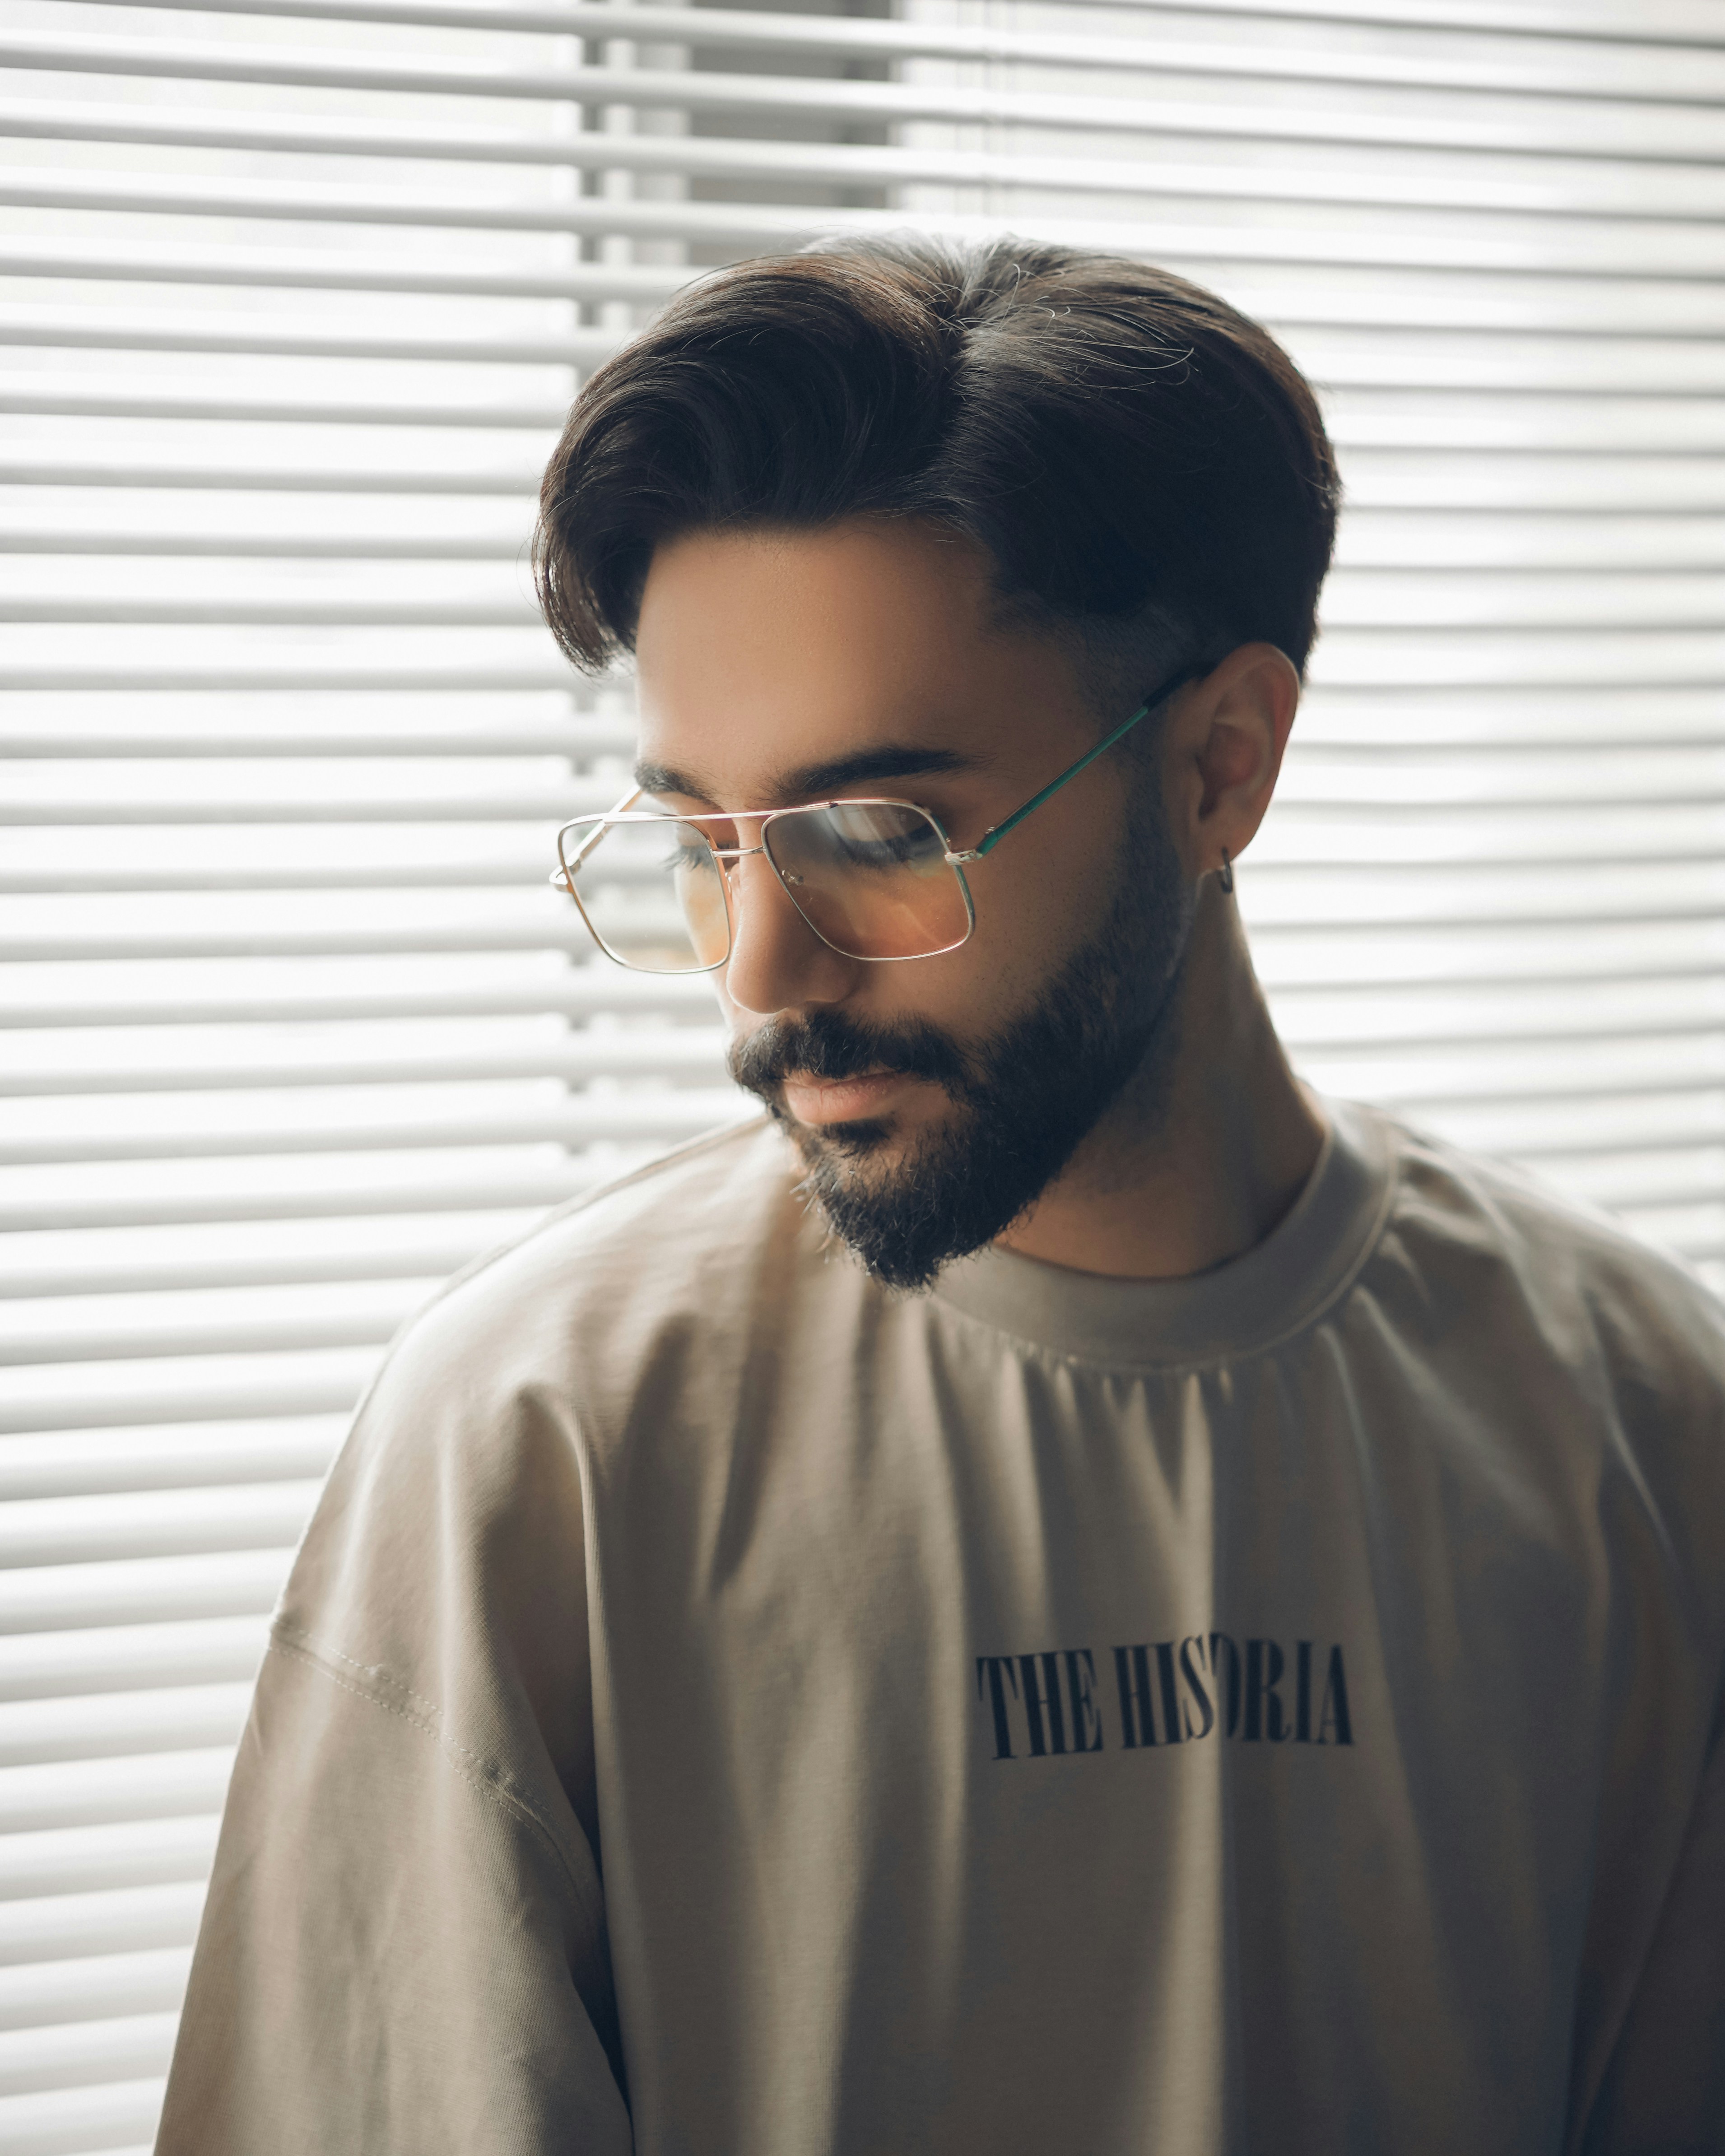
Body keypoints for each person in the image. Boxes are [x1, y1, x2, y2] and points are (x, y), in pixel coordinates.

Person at [156, 237, 1725, 2156]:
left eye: (876, 833)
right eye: (702, 843)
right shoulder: (533, 1451)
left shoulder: (1641, 1420)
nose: (760, 979)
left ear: (1220, 765)